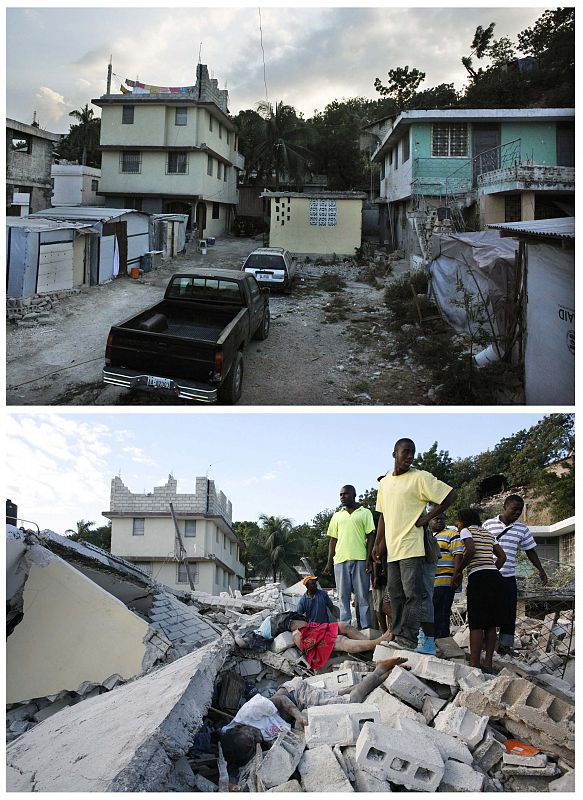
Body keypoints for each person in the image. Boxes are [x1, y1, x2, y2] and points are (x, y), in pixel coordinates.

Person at [372, 438, 456, 653]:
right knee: (396, 595)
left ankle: (409, 637)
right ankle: (399, 634)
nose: (409, 456)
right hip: (393, 549)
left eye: (412, 453)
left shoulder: (420, 477)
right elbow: (382, 515)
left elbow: (450, 495)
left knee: (413, 595)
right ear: (394, 454)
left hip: (412, 546)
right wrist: (379, 543)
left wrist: (427, 517)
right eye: (405, 452)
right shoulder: (384, 483)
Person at [483, 495, 548, 656]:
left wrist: (540, 569)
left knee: (509, 612)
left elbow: (530, 551)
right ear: (505, 506)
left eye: (520, 509)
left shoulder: (522, 529)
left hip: (508, 576)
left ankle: (505, 646)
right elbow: (479, 545)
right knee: (487, 610)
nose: (517, 512)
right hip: (489, 575)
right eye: (514, 509)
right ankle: (487, 645)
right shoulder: (488, 525)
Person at [450, 508, 508, 672]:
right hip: (494, 578)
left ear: (464, 521)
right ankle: (488, 663)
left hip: (479, 578)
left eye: (458, 521)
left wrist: (459, 570)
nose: (456, 524)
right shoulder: (488, 534)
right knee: (490, 623)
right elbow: (502, 557)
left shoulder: (466, 531)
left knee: (476, 623)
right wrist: (491, 570)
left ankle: (474, 664)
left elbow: (471, 549)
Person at [324, 485, 375, 629]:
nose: (342, 496)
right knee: (342, 597)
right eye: (340, 494)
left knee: (362, 596)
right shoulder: (337, 515)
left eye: (346, 494)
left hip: (360, 559)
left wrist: (368, 559)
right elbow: (332, 540)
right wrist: (329, 561)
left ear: (354, 495)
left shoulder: (365, 513)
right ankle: (345, 628)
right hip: (340, 561)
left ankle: (365, 629)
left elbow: (371, 535)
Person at [289, 618, 393, 670]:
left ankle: (372, 648)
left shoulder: (297, 618)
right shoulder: (294, 634)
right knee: (340, 640)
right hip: (314, 648)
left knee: (343, 626)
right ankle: (377, 643)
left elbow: (311, 626)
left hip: (318, 631)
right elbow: (304, 646)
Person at [431, 513, 464, 640]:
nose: (439, 521)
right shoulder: (427, 537)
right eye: (436, 518)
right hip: (431, 582)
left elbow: (458, 555)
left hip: (445, 580)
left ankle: (442, 640)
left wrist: (456, 575)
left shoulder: (451, 534)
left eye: (442, 519)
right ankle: (435, 639)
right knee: (434, 612)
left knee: (442, 611)